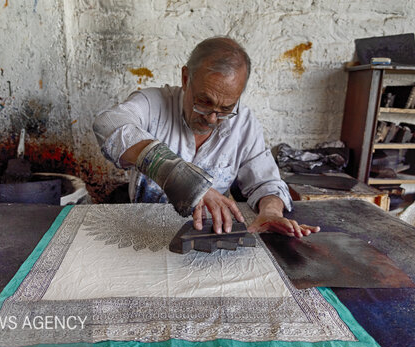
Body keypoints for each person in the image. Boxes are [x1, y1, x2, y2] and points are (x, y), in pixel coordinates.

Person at [93, 36, 319, 238]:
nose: (212, 118)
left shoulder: (243, 123)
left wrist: (270, 211)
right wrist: (181, 177)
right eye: (204, 102)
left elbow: (266, 182)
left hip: (208, 234)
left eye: (226, 108)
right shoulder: (154, 103)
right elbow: (108, 123)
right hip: (144, 230)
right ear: (185, 78)